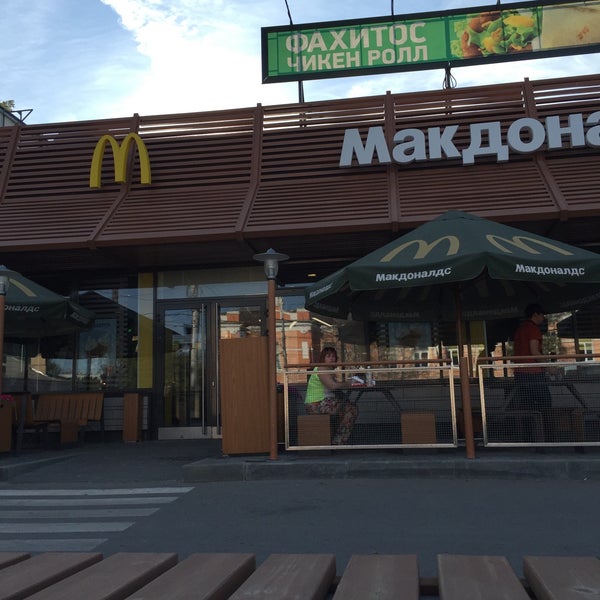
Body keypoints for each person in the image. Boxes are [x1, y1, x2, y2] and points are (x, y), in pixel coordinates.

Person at [510, 303, 552, 440]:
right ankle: (546, 437)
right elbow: (534, 352)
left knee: (526, 406)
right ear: (535, 315)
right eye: (542, 314)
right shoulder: (533, 330)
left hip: (520, 373)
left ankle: (529, 438)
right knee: (545, 404)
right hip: (533, 373)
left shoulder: (520, 330)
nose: (543, 317)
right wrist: (549, 366)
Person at [304, 346, 358, 445]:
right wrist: (348, 383)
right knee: (351, 409)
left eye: (333, 356)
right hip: (315, 404)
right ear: (323, 358)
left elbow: (335, 388)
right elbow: (332, 386)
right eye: (328, 356)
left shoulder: (329, 370)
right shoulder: (321, 369)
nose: (331, 358)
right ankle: (338, 442)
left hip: (323, 402)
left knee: (347, 407)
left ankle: (338, 438)